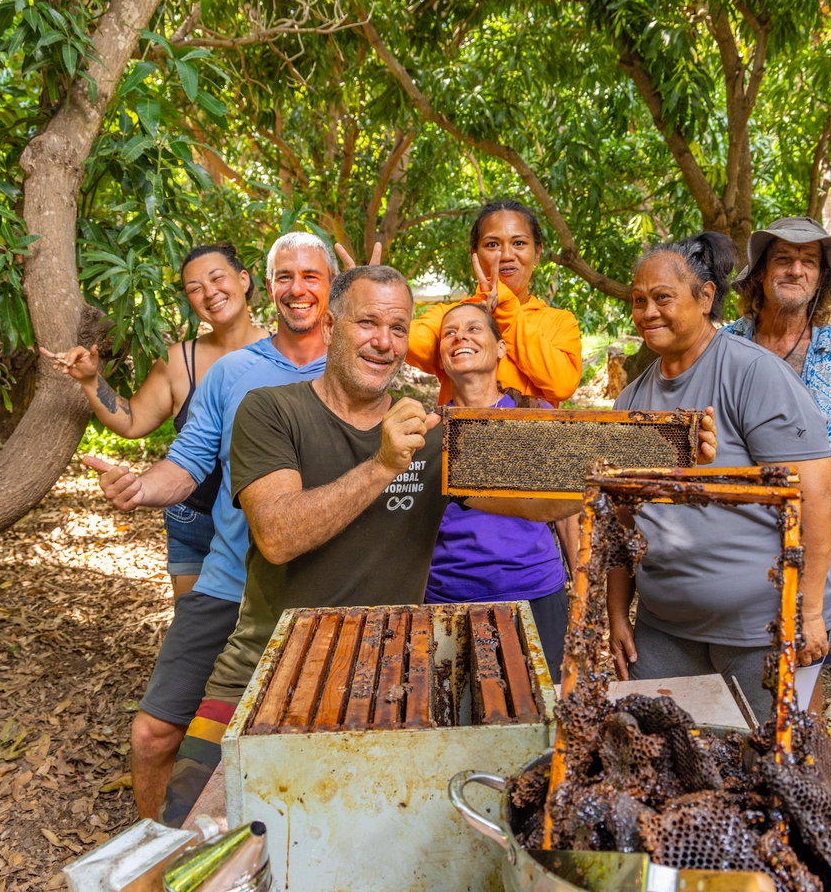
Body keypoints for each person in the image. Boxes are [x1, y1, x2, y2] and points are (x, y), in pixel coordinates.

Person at [157, 265, 584, 824]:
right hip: (261, 673)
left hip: (383, 680)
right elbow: (279, 535)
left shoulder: (433, 431)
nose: (384, 342)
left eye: (398, 328)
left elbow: (540, 502)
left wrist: (652, 461)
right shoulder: (271, 409)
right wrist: (383, 465)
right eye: (368, 323)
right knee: (190, 831)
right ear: (332, 324)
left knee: (350, 848)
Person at [82, 231, 338, 819]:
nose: (298, 290)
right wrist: (141, 487)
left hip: (316, 590)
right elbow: (191, 461)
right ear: (268, 286)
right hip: (227, 582)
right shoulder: (232, 372)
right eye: (286, 278)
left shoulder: (354, 366)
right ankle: (156, 865)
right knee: (152, 737)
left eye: (312, 277)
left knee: (298, 746)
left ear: (329, 288)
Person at [607, 232, 831, 725]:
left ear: (706, 297)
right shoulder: (630, 402)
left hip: (762, 625)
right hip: (665, 626)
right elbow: (621, 521)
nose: (648, 312)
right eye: (639, 300)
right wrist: (616, 611)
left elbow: (816, 491)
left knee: (770, 765)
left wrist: (811, 611)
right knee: (673, 759)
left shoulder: (754, 374)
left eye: (663, 298)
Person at [40, 242, 269, 598]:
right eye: (195, 288)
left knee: (265, 640)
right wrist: (89, 379)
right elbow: (132, 421)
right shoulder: (179, 361)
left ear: (243, 279)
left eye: (216, 278)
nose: (209, 292)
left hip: (263, 522)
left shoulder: (284, 353)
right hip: (194, 520)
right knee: (197, 642)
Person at [726, 217, 831, 710]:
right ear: (759, 274)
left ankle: (805, 780)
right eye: (783, 259)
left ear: (820, 280)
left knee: (802, 699)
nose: (795, 269)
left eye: (808, 262)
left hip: (818, 555)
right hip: (732, 554)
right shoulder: (723, 347)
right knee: (732, 697)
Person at [424, 301, 572, 680]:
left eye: (474, 329)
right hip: (448, 599)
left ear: (501, 348)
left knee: (542, 713)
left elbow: (570, 515)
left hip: (536, 594)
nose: (461, 337)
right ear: (441, 355)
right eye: (450, 332)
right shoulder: (425, 431)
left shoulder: (536, 417)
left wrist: (583, 590)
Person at [406, 199, 582, 407]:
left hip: (534, 440)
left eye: (519, 243)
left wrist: (506, 308)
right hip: (459, 438)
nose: (506, 255)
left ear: (537, 253)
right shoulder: (450, 319)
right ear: (475, 256)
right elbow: (395, 339)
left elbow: (563, 385)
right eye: (492, 244)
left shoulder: (559, 322)